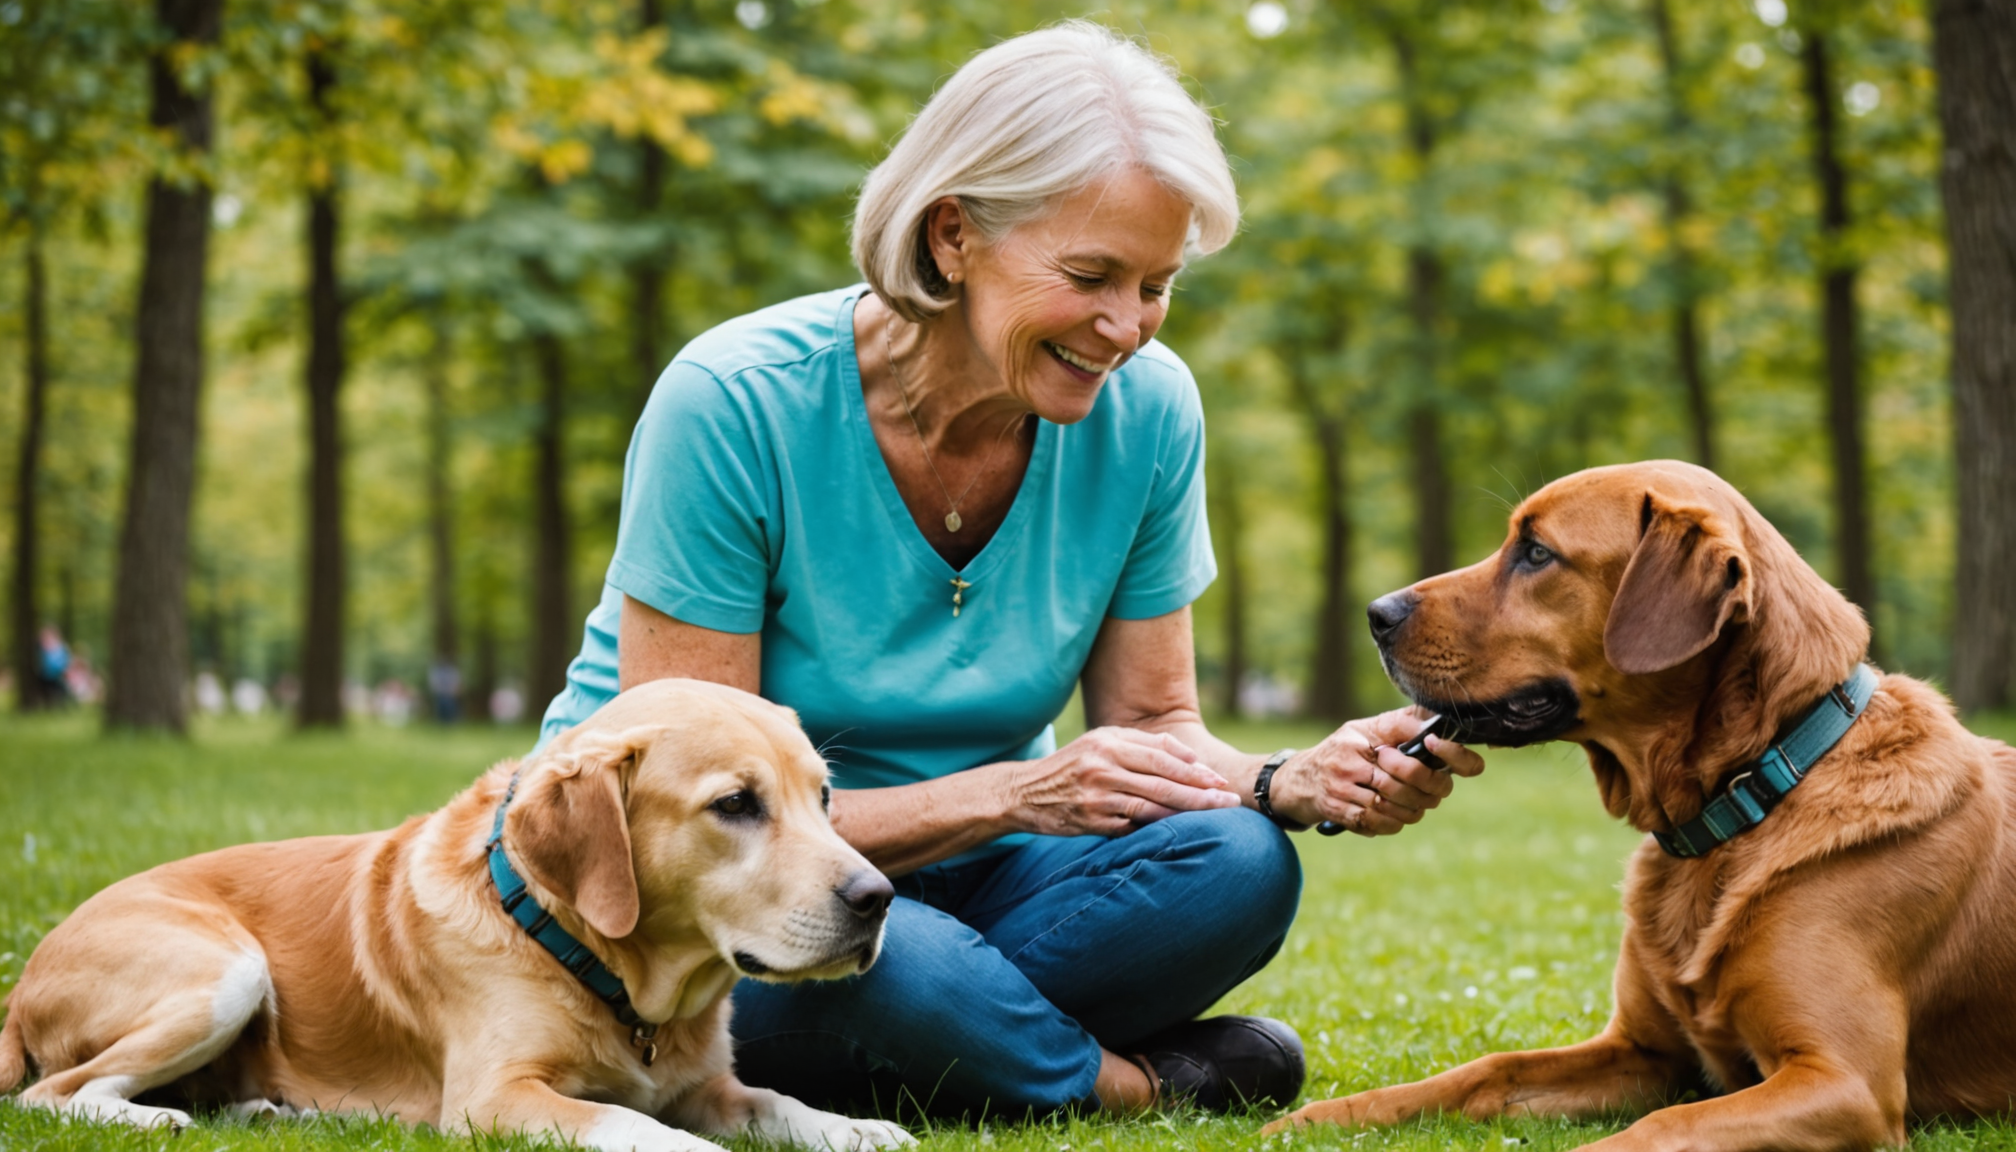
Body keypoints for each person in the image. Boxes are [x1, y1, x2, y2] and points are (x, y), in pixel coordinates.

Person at [535, 21, 1484, 1121]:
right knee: (894, 963)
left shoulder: (1151, 409)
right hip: (714, 897)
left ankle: (941, 1026)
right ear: (952, 237)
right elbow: (710, 816)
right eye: (1091, 275)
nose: (1126, 326)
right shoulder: (735, 403)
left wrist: (1283, 782)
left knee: (1239, 863)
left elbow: (1156, 725)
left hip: (977, 874)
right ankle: (1125, 1081)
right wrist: (1015, 794)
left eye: (1158, 284)